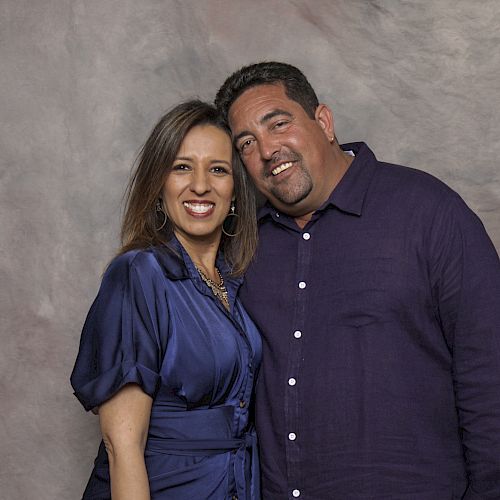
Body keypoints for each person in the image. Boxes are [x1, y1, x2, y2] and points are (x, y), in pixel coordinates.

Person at [215, 62, 500, 499]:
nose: (268, 149)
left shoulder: (427, 211)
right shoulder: (244, 248)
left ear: (324, 122)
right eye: (248, 143)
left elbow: (488, 375)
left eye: (279, 124)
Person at [70, 100, 261, 499]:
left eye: (218, 169)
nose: (201, 185)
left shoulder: (234, 284)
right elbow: (121, 447)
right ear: (159, 185)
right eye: (182, 167)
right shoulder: (138, 275)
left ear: (235, 194)